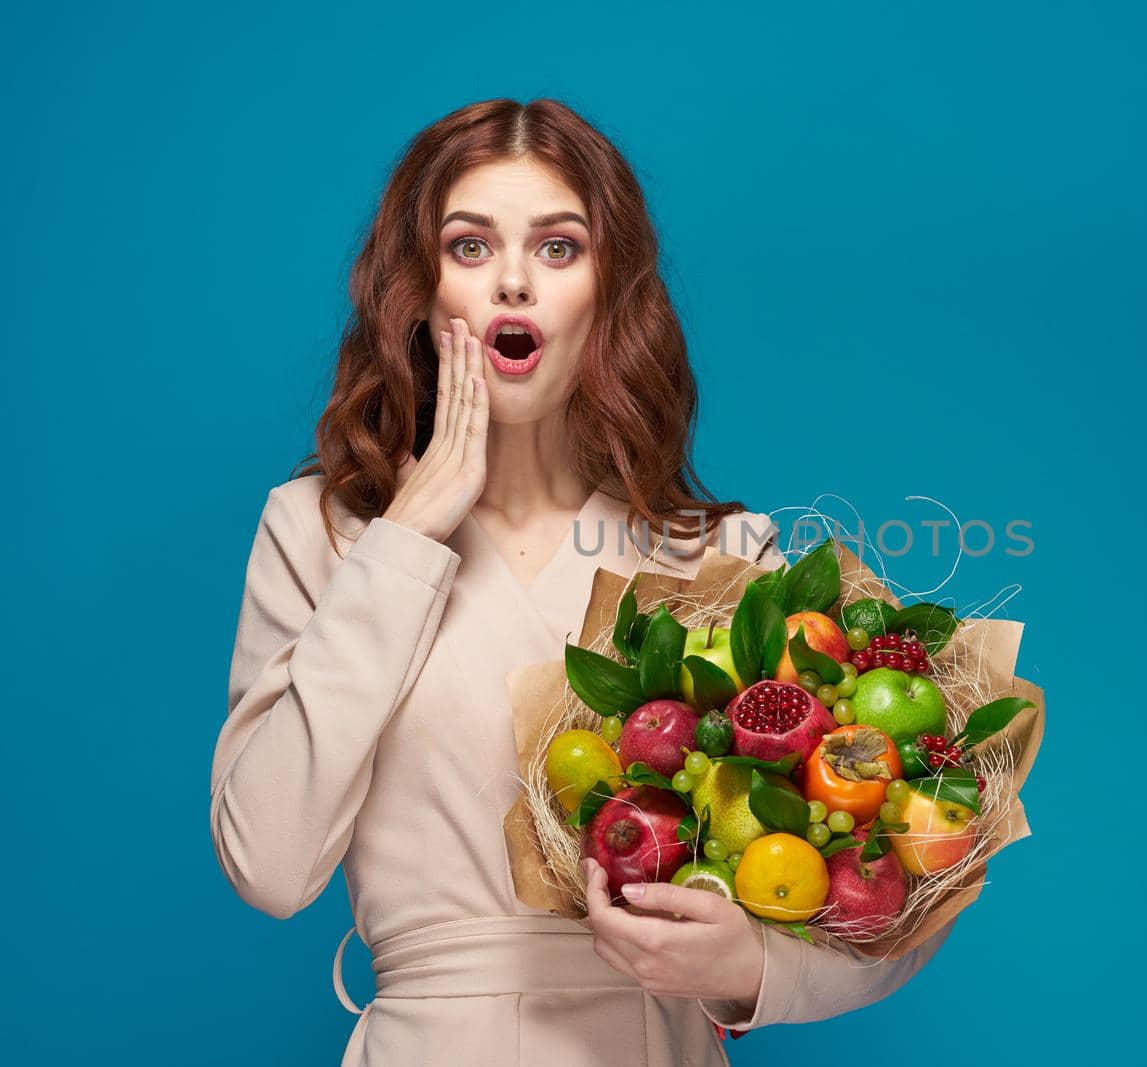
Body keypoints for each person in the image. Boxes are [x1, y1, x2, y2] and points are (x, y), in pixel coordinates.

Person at [208, 98, 954, 1066]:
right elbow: (268, 863)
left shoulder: (719, 556)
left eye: (559, 248)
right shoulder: (325, 534)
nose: (514, 280)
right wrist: (408, 538)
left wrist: (752, 967)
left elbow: (898, 883)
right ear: (421, 289)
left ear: (609, 289)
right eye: (469, 246)